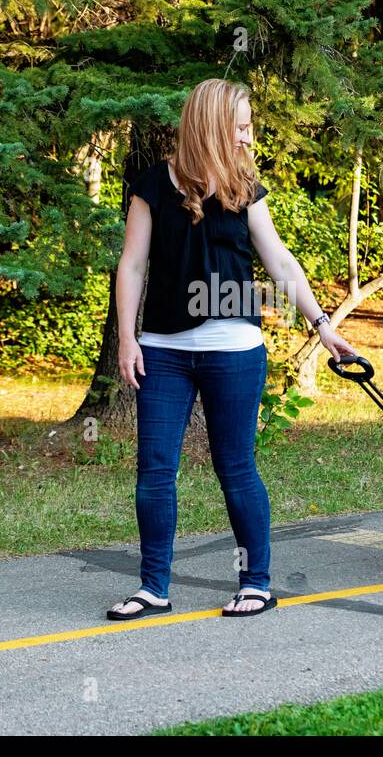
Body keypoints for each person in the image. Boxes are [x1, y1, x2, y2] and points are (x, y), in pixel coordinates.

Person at [107, 78, 354, 621]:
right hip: (163, 350)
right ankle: (153, 587)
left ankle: (256, 581)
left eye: (249, 126)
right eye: (241, 126)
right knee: (153, 470)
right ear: (213, 125)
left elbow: (280, 263)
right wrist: (127, 337)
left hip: (234, 349)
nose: (248, 137)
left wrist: (322, 325)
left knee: (235, 467)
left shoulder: (245, 189)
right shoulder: (151, 185)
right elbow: (131, 264)